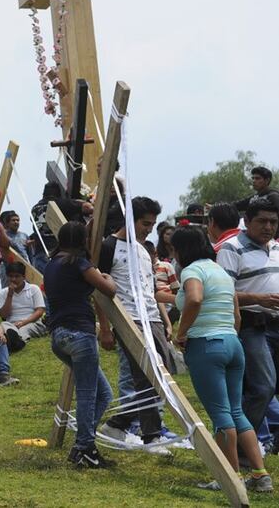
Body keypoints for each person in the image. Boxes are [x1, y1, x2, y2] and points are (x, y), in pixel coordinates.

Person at [171, 226, 272, 492]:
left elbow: (194, 299)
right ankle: (260, 474)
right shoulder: (220, 272)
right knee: (237, 412)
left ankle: (230, 476)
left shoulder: (192, 271)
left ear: (181, 250)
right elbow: (236, 316)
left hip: (206, 345)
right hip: (232, 343)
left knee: (220, 415)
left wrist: (181, 333)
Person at [97, 197, 179, 454]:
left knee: (165, 371)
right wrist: (105, 327)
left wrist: (165, 318)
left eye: (152, 224)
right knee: (145, 376)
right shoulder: (108, 246)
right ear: (130, 220)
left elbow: (151, 290)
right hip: (128, 318)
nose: (148, 229)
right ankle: (151, 436)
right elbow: (98, 289)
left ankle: (117, 423)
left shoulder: (145, 250)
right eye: (145, 223)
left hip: (152, 317)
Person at [44, 221, 119, 469]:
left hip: (59, 337)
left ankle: (83, 442)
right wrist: (106, 276)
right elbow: (108, 290)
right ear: (81, 241)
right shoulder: (78, 263)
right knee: (88, 394)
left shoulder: (52, 264)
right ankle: (85, 449)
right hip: (80, 335)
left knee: (104, 393)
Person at [216, 199, 279, 431]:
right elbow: (222, 292)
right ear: (248, 221)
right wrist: (257, 298)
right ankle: (241, 447)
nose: (268, 227)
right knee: (262, 388)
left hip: (276, 324)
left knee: (268, 387)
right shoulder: (232, 248)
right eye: (262, 221)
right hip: (251, 326)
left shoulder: (276, 248)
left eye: (273, 222)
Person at [0, 262, 48, 351]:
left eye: (17, 276)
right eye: (11, 276)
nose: (13, 279)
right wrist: (10, 295)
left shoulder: (33, 289)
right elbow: (4, 316)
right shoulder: (3, 292)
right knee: (3, 325)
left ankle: (16, 342)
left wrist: (24, 322)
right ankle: (14, 340)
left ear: (24, 277)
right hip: (12, 324)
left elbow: (40, 311)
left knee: (24, 329)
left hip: (32, 322)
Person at [235, 167, 279, 237]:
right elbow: (236, 206)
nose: (254, 181)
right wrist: (215, 207)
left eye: (257, 178)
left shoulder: (274, 196)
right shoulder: (255, 197)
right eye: (253, 178)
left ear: (267, 180)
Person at [0, 210, 31, 288]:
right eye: (13, 220)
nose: (16, 222)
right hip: (7, 268)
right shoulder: (3, 236)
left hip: (23, 267)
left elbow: (30, 254)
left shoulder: (24, 235)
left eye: (17, 220)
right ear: (7, 223)